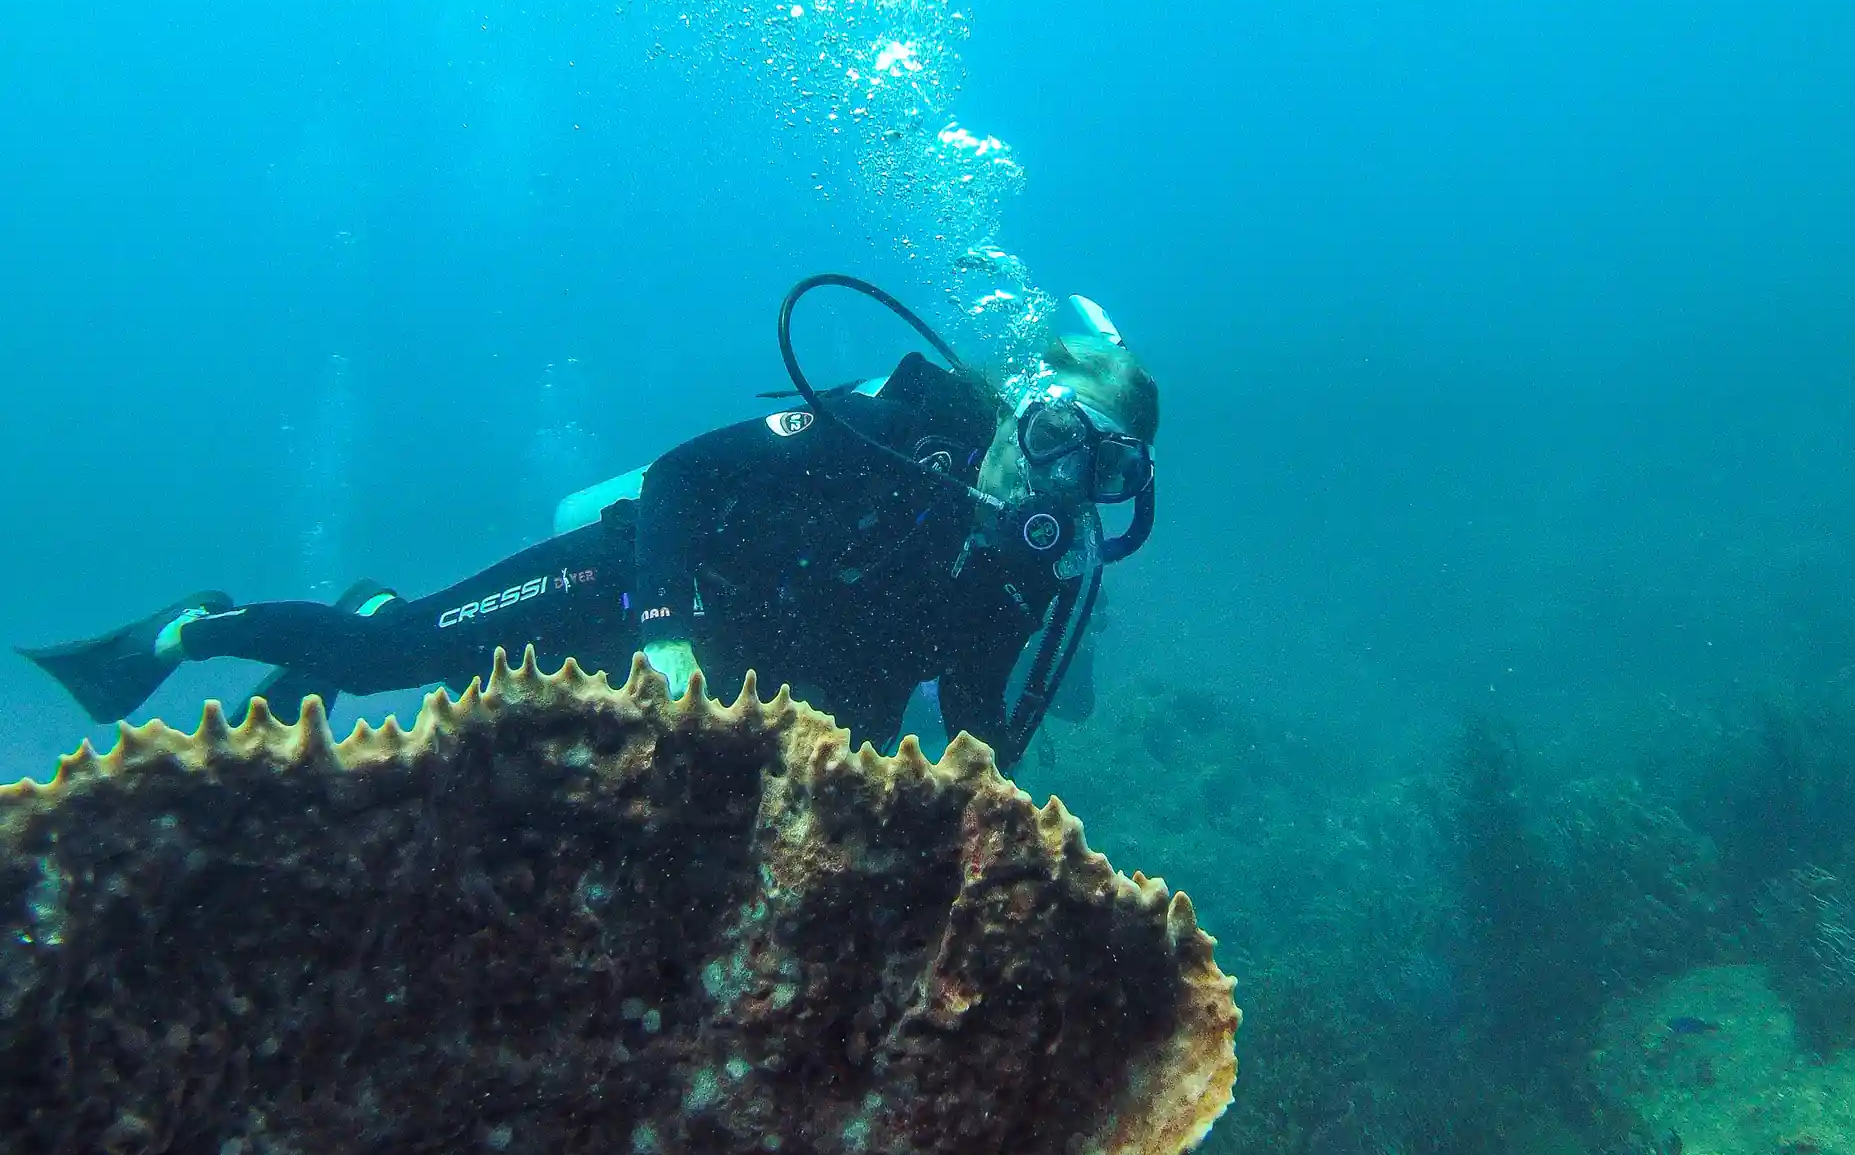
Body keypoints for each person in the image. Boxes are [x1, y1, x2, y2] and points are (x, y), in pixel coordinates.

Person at [20, 279, 1158, 771]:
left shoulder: (1029, 583)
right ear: (1019, 402)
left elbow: (964, 722)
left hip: (745, 700)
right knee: (384, 662)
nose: (1058, 478)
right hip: (637, 591)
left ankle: (361, 607)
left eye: (1097, 469)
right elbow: (677, 479)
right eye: (1057, 434)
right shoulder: (889, 431)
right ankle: (193, 630)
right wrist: (663, 624)